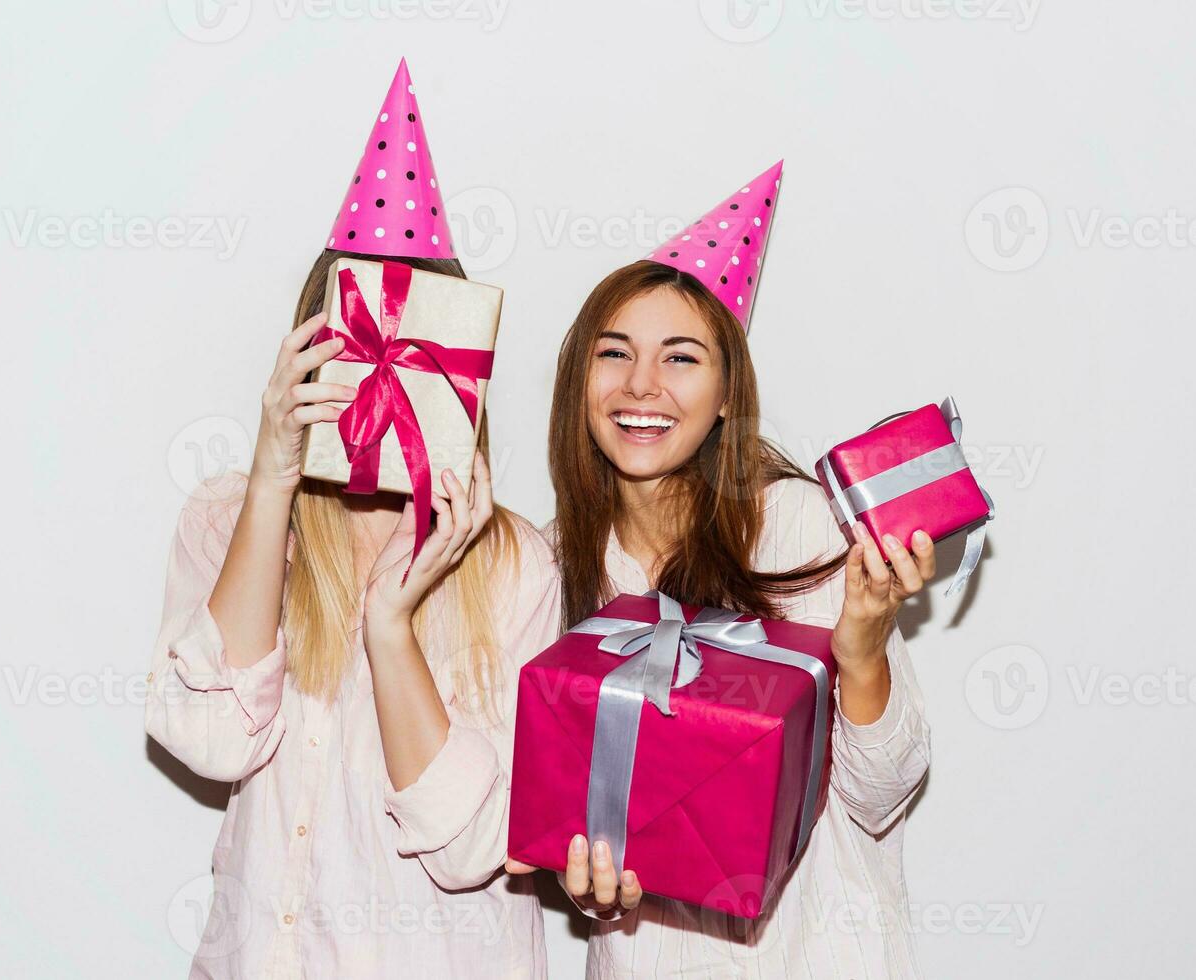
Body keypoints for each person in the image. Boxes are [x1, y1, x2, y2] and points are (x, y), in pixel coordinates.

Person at [145, 60, 559, 979]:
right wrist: (269, 480)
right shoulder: (228, 519)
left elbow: (470, 845)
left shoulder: (516, 565)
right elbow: (208, 741)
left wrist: (391, 625)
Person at [508, 163, 936, 978]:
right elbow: (568, 819)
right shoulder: (549, 561)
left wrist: (862, 648)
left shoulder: (802, 522)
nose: (641, 386)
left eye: (680, 359)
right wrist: (592, 886)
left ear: (726, 394)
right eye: (614, 354)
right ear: (578, 381)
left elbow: (882, 794)